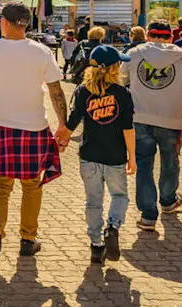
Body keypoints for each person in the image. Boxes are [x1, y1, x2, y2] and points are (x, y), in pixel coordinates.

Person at [0, 2, 69, 268]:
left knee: (0, 185)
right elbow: (56, 91)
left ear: (3, 22)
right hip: (34, 127)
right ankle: (27, 239)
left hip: (0, 126)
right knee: (31, 185)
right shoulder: (41, 51)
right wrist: (63, 125)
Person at [121, 20, 182, 232]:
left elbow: (119, 81)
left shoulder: (134, 54)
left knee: (143, 165)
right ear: (170, 36)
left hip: (139, 118)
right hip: (172, 119)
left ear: (149, 35)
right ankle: (168, 200)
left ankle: (148, 215)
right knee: (170, 162)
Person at [56, 45, 135, 264]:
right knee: (119, 196)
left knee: (93, 202)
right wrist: (133, 157)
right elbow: (128, 128)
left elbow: (73, 121)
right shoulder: (122, 93)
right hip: (116, 155)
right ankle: (113, 226)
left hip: (89, 154)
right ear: (114, 67)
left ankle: (96, 245)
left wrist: (62, 141)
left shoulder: (83, 90)